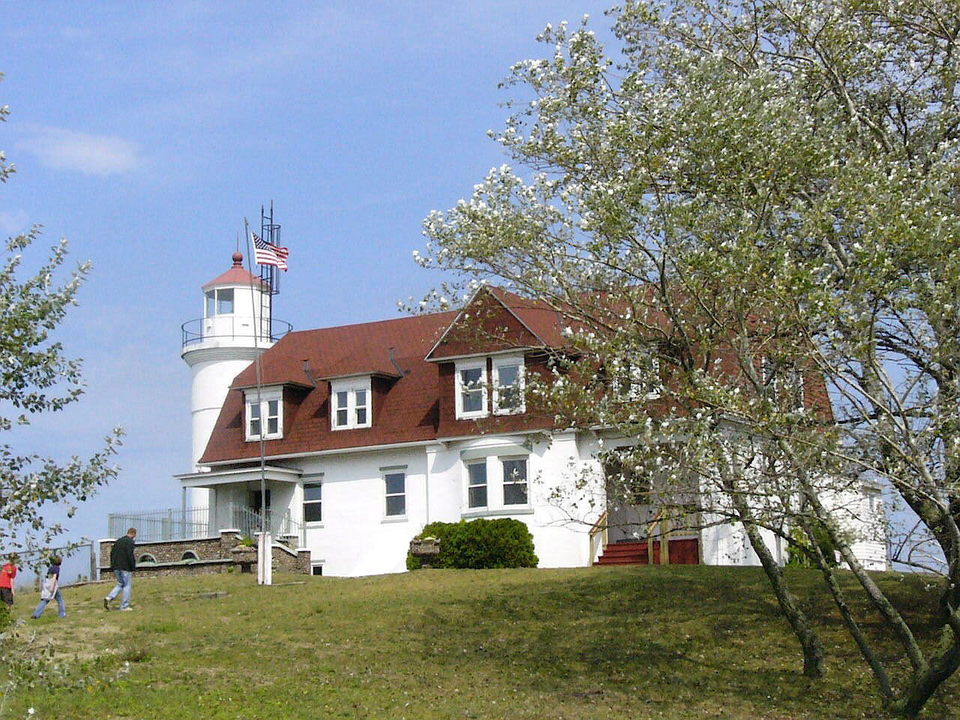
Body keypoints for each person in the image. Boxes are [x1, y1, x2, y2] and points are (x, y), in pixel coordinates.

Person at [104, 527, 137, 611]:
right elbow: (130, 555)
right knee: (127, 585)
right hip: (125, 567)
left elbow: (112, 553)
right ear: (133, 534)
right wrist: (133, 566)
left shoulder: (118, 541)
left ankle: (109, 597)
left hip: (116, 567)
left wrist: (112, 565)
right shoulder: (130, 542)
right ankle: (125, 606)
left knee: (120, 584)